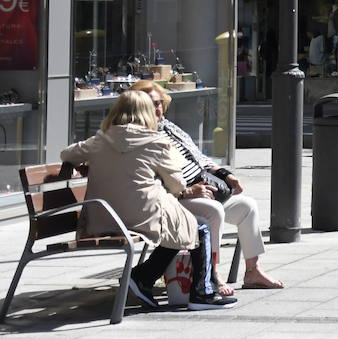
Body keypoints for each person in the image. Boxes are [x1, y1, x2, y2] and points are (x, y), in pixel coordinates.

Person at [59, 91, 235, 310]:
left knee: (179, 226)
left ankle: (142, 278)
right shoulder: (156, 141)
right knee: (198, 227)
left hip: (103, 217)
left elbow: (67, 154)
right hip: (141, 216)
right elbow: (177, 185)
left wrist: (86, 165)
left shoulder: (99, 140)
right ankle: (201, 294)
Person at [133, 80, 282, 293]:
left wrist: (226, 176)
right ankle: (212, 275)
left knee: (247, 207)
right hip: (175, 199)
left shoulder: (168, 127)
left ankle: (253, 271)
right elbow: (150, 182)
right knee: (214, 212)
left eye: (158, 103)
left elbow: (199, 158)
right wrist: (188, 192)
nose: (156, 109)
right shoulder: (140, 137)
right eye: (150, 104)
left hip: (200, 189)